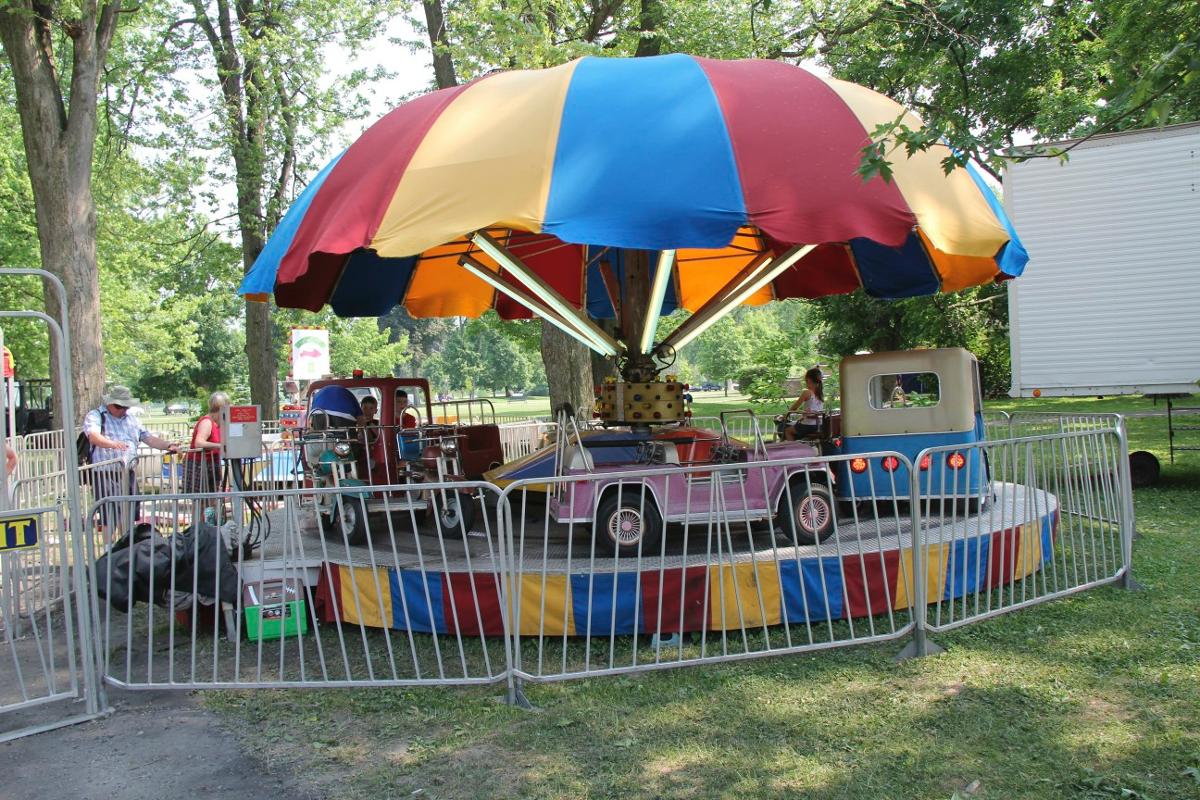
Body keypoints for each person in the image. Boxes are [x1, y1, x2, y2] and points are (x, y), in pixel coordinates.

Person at [84, 385, 180, 534]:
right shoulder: (95, 415)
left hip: (128, 473)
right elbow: (93, 436)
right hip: (105, 474)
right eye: (118, 406)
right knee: (109, 515)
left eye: (125, 406)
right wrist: (113, 444)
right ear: (109, 403)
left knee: (128, 513)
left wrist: (167, 445)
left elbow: (148, 438)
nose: (122, 410)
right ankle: (109, 552)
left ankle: (126, 547)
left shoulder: (132, 420)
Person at [183, 392, 229, 494]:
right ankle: (201, 511)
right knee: (201, 501)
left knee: (213, 499)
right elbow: (199, 443)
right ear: (221, 409)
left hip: (212, 464)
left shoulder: (219, 424)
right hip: (199, 465)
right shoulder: (207, 422)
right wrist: (221, 446)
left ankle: (212, 511)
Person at [783, 367, 825, 441]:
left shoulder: (807, 392)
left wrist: (786, 415)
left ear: (809, 379)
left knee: (788, 431)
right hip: (819, 425)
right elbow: (814, 410)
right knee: (797, 426)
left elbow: (794, 407)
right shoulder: (820, 393)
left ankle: (794, 451)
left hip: (808, 425)